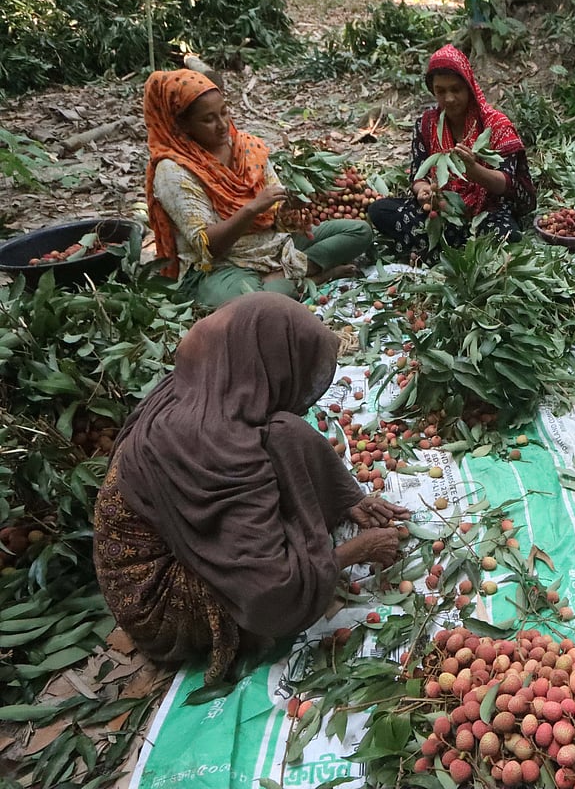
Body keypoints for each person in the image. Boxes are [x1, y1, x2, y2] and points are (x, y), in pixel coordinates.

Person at [93, 293, 407, 685]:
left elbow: (286, 436)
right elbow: (269, 595)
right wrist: (356, 551)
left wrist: (346, 497)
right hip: (156, 597)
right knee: (277, 566)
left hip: (178, 533)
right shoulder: (214, 446)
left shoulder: (209, 379)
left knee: (285, 432)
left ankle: (314, 528)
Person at [144, 70, 371, 308]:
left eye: (224, 112)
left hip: (273, 246)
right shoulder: (173, 170)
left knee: (359, 231)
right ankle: (312, 278)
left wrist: (290, 211)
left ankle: (286, 278)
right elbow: (209, 247)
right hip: (222, 265)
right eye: (208, 119)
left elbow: (274, 212)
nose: (222, 125)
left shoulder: (245, 147)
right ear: (182, 124)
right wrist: (251, 209)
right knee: (245, 304)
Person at [368, 45, 535, 262]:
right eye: (441, 91)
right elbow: (419, 175)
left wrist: (474, 170)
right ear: (433, 91)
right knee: (379, 210)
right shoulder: (427, 125)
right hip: (443, 210)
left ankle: (437, 251)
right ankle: (456, 250)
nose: (449, 99)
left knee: (508, 237)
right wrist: (425, 193)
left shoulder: (495, 125)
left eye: (456, 89)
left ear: (469, 88)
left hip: (487, 210)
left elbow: (506, 184)